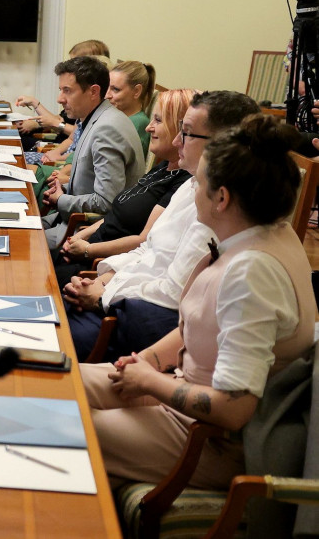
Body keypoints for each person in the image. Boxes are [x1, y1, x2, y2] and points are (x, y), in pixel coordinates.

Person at [82, 114, 315, 491]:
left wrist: (149, 382)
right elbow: (191, 328)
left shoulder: (252, 273)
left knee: (61, 425)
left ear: (222, 198)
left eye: (198, 184)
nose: (192, 192)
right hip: (181, 399)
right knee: (59, 385)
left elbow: (232, 409)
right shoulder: (265, 232)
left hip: (209, 440)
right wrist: (146, 363)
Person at [62, 91, 261, 361]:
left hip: (135, 323)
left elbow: (176, 293)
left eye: (187, 133)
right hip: (120, 297)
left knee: (44, 334)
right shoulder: (189, 184)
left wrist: (104, 294)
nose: (177, 140)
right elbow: (148, 248)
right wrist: (103, 279)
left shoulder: (219, 206)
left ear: (223, 144)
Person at [54, 89, 195, 284]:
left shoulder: (183, 181)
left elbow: (144, 241)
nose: (149, 127)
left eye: (158, 121)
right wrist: (81, 236)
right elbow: (116, 214)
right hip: (89, 246)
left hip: (98, 266)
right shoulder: (164, 166)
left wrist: (87, 250)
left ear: (181, 129)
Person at [41, 56, 145, 250]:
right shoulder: (92, 118)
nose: (59, 99)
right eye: (60, 90)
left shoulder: (108, 129)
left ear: (93, 92)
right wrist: (63, 190)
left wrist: (61, 200)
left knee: (17, 244)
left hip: (82, 233)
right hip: (65, 221)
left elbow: (106, 202)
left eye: (67, 91)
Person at [107, 61, 155, 153]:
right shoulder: (117, 117)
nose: (107, 95)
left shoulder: (138, 123)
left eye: (115, 89)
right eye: (107, 88)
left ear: (136, 91)